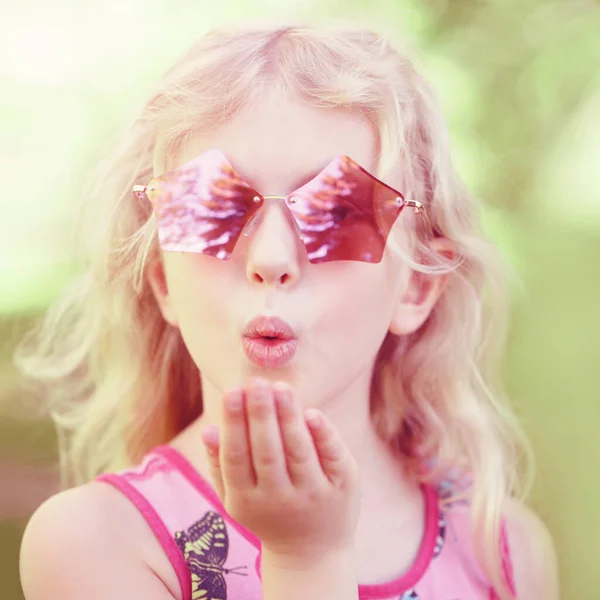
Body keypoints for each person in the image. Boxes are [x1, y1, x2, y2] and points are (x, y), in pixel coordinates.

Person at [16, 21, 559, 600]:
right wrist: (306, 561)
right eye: (211, 206)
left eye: (339, 210)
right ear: (163, 283)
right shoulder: (100, 543)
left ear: (416, 288)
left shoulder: (503, 553)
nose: (271, 259)